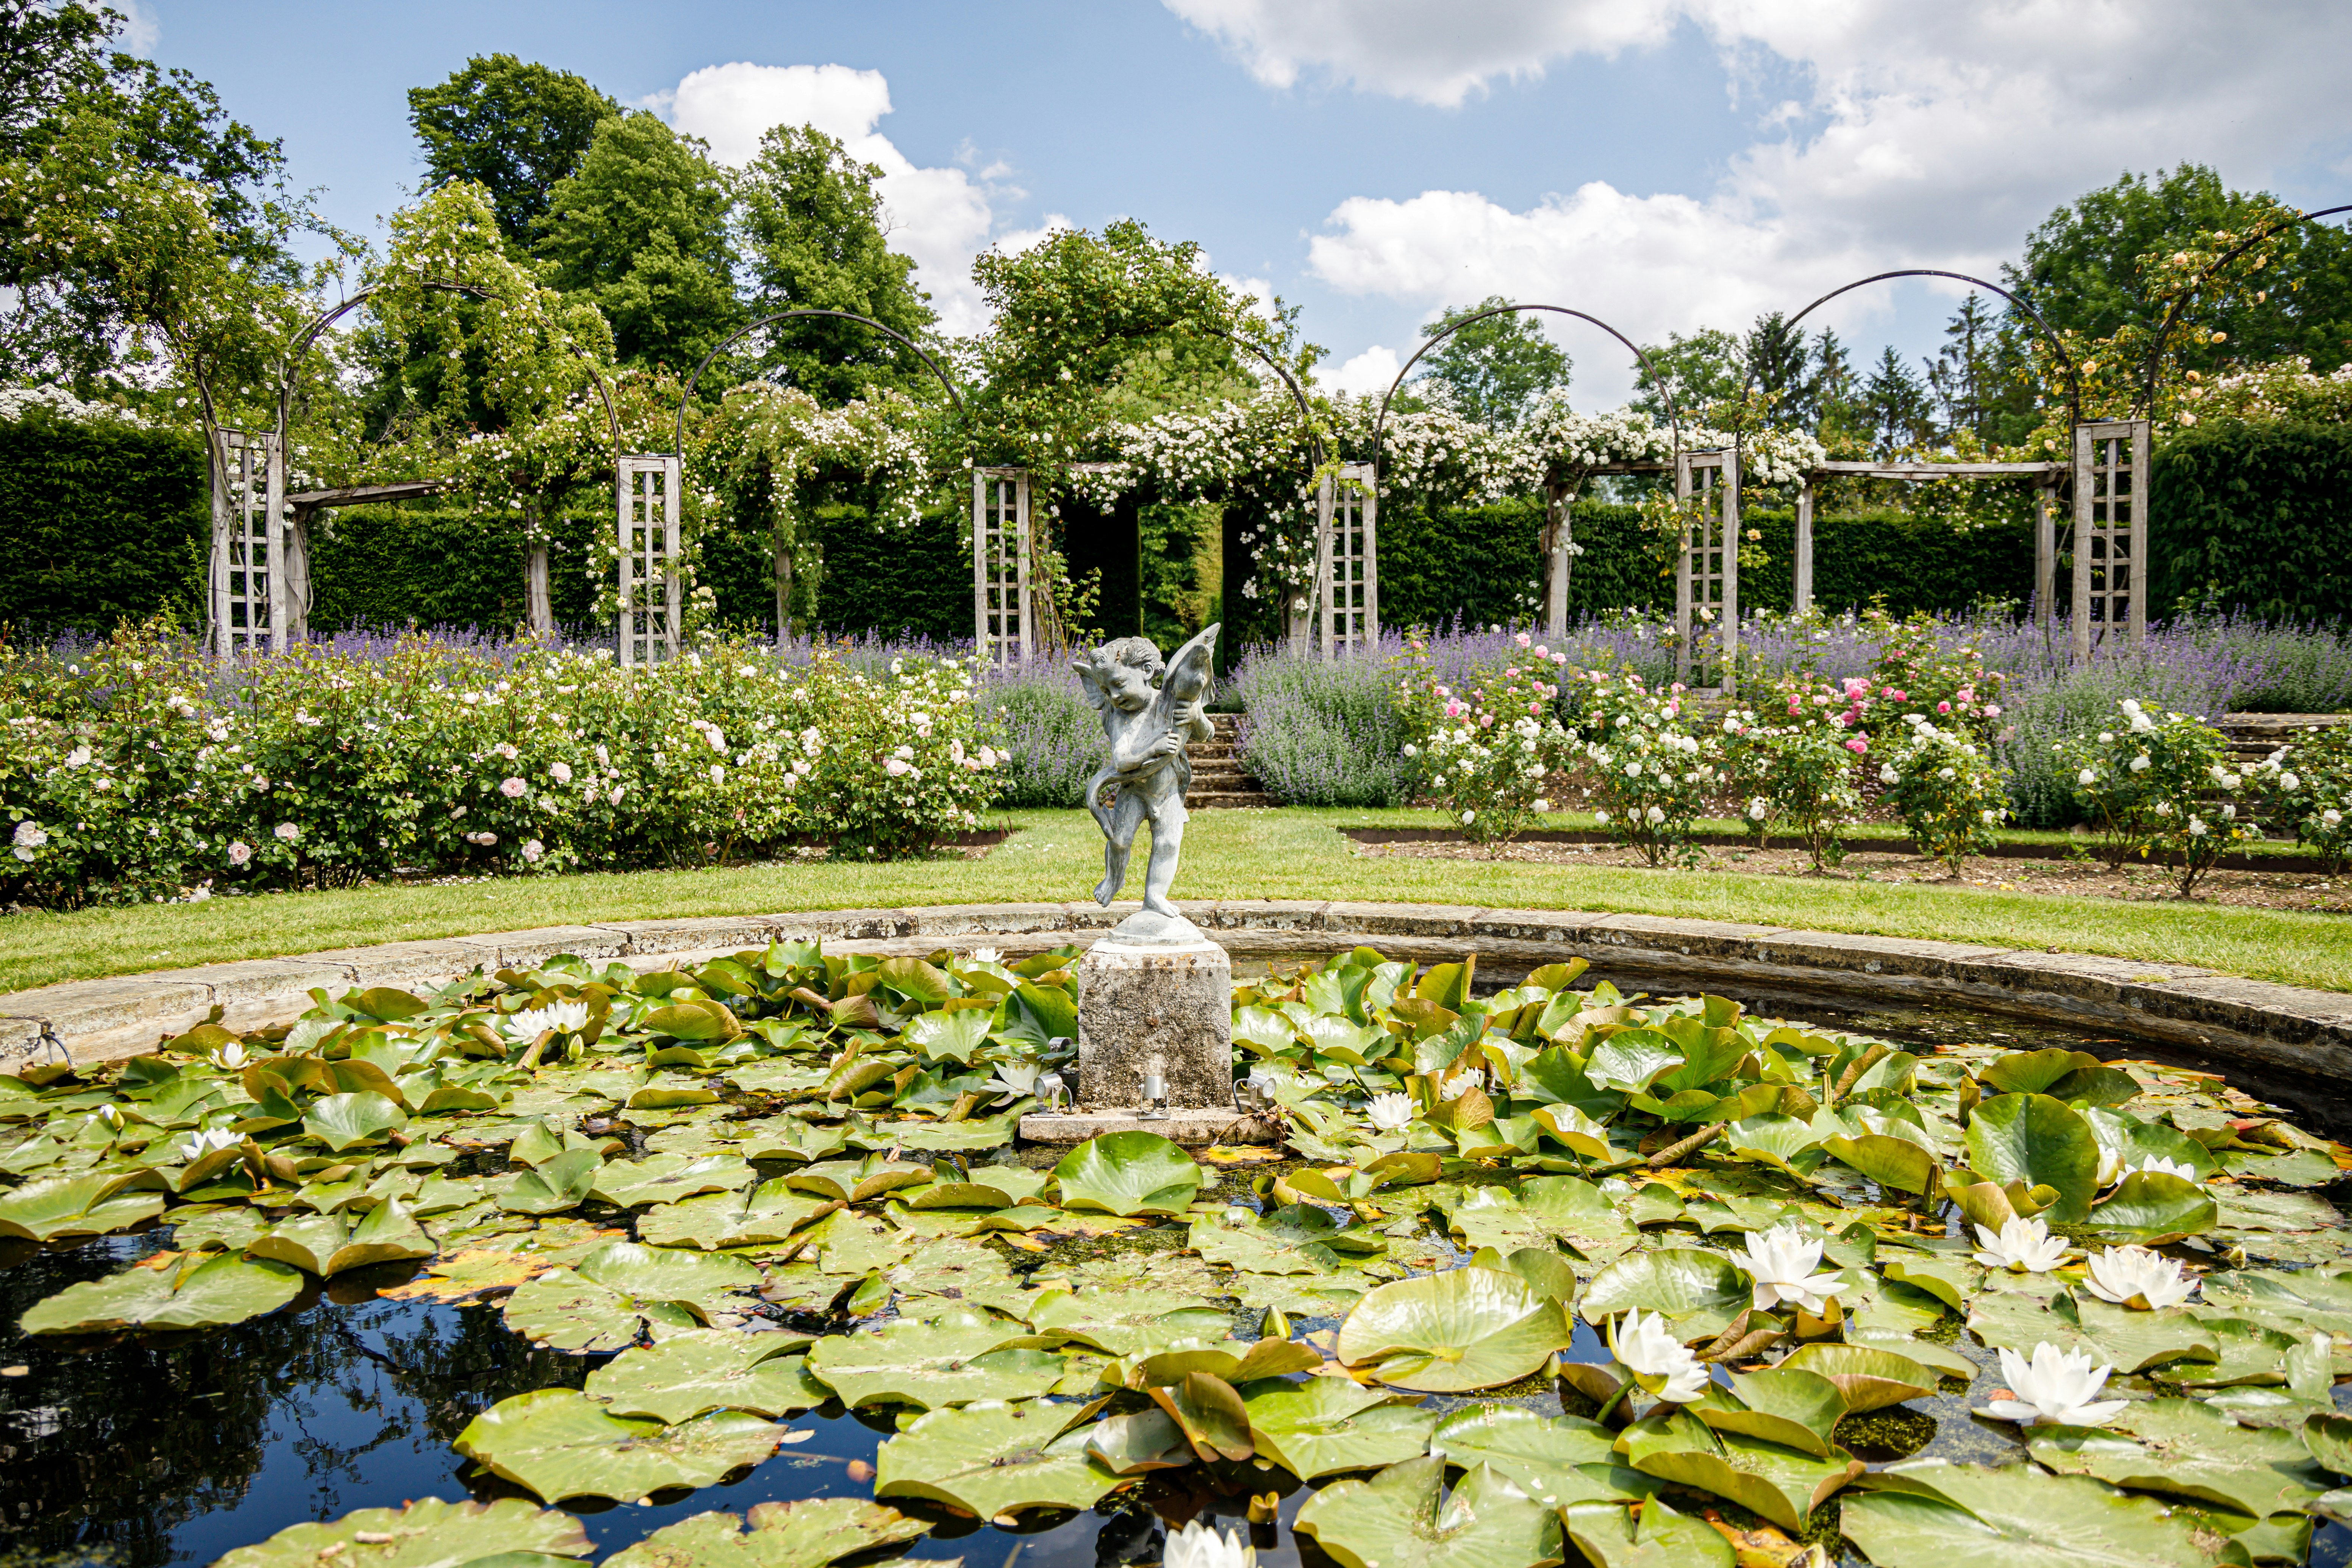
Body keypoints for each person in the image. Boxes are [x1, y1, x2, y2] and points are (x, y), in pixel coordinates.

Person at [1073, 624, 1219, 921]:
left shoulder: (1170, 702)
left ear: (1147, 671)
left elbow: (1207, 734)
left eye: (1119, 684)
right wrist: (1154, 748)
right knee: (1119, 841)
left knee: (1168, 842)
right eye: (1106, 691)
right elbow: (1122, 761)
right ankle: (1114, 879)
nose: (1114, 696)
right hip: (1134, 789)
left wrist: (1196, 716)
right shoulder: (1120, 718)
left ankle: (1155, 896)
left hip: (1168, 788)